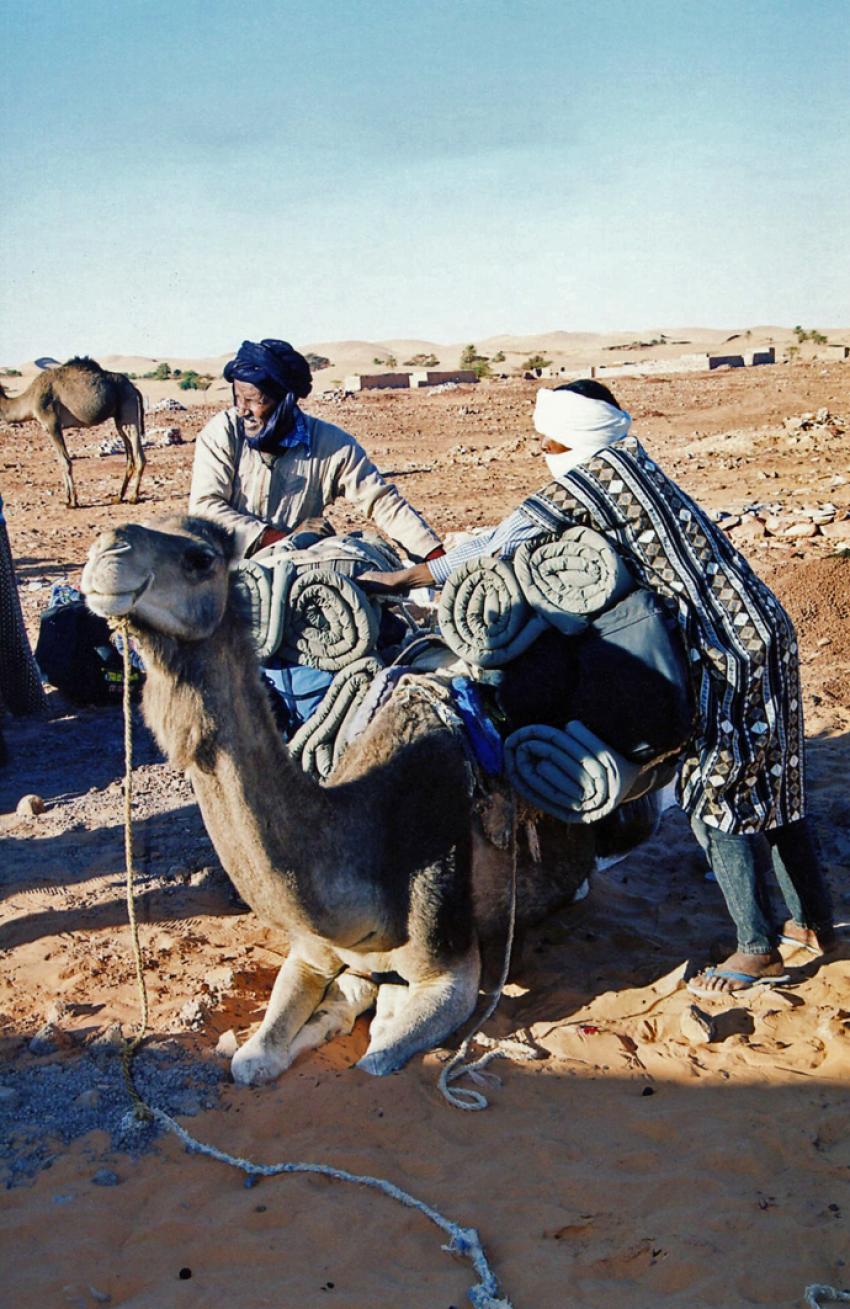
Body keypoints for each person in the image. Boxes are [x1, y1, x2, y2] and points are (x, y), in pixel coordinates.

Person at [363, 379, 835, 994]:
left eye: (549, 441)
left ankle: (756, 949)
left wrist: (409, 577)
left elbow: (496, 545)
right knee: (774, 781)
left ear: (573, 437)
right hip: (764, 629)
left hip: (722, 651)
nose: (544, 452)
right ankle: (814, 924)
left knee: (714, 793)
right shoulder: (633, 461)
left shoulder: (587, 482)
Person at [189, 338, 444, 562]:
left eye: (254, 400)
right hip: (225, 577)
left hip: (295, 574)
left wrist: (437, 560)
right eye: (237, 398)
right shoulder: (223, 433)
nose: (243, 410)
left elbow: (382, 502)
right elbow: (205, 509)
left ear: (285, 401)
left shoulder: (332, 446)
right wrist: (284, 539)